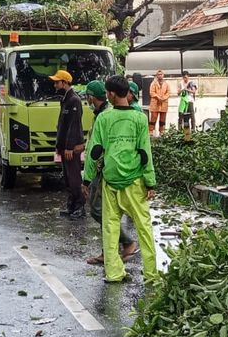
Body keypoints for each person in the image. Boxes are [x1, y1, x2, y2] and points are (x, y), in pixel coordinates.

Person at [81, 76, 157, 284]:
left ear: (112, 94)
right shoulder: (140, 119)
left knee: (110, 227)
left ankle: (114, 273)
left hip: (110, 182)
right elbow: (145, 152)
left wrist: (86, 180)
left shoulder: (104, 119)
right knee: (144, 227)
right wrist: (150, 182)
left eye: (107, 92)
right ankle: (151, 274)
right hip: (135, 182)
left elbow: (93, 152)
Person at [82, 80, 139, 266]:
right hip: (107, 168)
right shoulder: (101, 113)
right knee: (104, 211)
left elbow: (98, 148)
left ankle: (127, 243)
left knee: (100, 211)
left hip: (105, 169)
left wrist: (87, 178)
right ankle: (108, 251)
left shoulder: (106, 115)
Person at [52, 69, 86, 219]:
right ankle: (71, 206)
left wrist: (69, 147)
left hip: (71, 148)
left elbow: (74, 126)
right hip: (65, 147)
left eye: (57, 82)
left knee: (74, 178)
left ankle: (79, 207)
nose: (55, 85)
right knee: (67, 178)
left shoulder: (74, 100)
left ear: (65, 83)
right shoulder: (65, 99)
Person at [148, 70, 171, 136]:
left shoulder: (166, 84)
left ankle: (162, 131)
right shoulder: (153, 83)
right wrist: (157, 97)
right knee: (153, 118)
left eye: (161, 74)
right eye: (158, 74)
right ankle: (151, 131)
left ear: (163, 75)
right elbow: (151, 92)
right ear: (156, 76)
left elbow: (168, 92)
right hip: (155, 103)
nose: (160, 75)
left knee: (163, 119)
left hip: (164, 103)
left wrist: (163, 98)